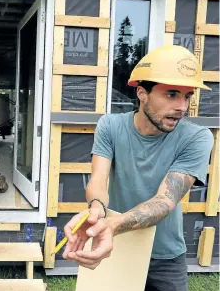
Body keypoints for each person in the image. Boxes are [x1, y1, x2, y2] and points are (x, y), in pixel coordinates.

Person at [62, 45, 214, 291]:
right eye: (172, 94)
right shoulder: (110, 126)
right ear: (142, 93)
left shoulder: (198, 137)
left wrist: (111, 225)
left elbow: (165, 201)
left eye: (187, 96)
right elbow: (98, 181)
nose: (182, 107)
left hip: (165, 255)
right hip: (116, 244)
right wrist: (96, 210)